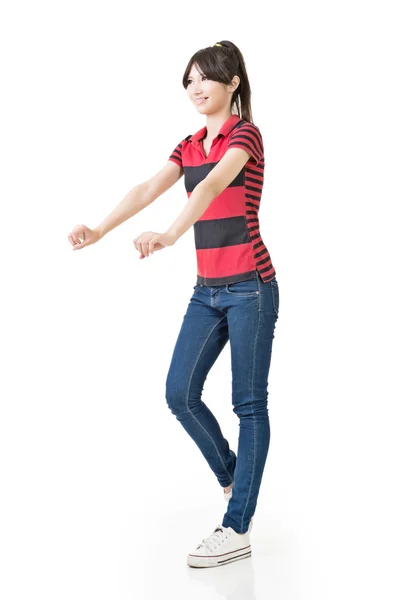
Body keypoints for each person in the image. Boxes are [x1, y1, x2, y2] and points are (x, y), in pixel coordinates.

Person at [67, 40, 279, 569]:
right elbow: (145, 188)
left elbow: (208, 190)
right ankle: (236, 477)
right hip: (208, 291)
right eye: (188, 81)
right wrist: (97, 230)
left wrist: (169, 234)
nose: (196, 88)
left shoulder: (245, 135)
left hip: (251, 284)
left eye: (206, 77)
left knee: (248, 405)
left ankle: (237, 525)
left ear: (233, 83)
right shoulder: (188, 144)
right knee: (179, 393)